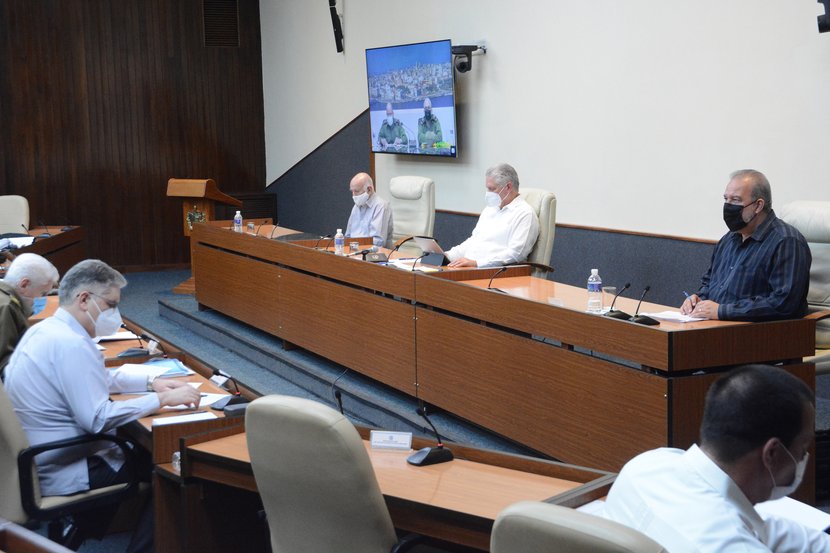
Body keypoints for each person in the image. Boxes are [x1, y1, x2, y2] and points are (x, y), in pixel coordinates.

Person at [5, 259, 201, 551]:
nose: (115, 314)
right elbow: (96, 418)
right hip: (60, 466)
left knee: (142, 452)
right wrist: (161, 399)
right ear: (84, 299)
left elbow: (92, 377)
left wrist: (151, 383)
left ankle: (78, 531)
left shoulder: (47, 331)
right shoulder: (70, 343)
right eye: (110, 305)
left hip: (36, 459)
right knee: (170, 466)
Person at [603, 364, 829, 552]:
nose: (803, 458)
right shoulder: (735, 545)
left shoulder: (646, 465)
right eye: (802, 447)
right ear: (772, 453)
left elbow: (765, 529)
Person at [681, 169, 811, 321]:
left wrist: (722, 311)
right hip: (716, 328)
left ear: (758, 205)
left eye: (735, 200)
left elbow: (784, 303)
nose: (728, 207)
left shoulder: (786, 241)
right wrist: (698, 300)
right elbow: (709, 282)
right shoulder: (728, 239)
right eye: (726, 199)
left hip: (762, 334)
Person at [445, 163, 540, 268]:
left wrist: (476, 263)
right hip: (470, 269)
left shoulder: (525, 214)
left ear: (508, 187)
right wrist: (447, 256)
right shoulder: (490, 209)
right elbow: (473, 242)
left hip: (494, 273)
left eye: (491, 189)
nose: (488, 193)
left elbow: (516, 254)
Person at [0, 253, 58, 377]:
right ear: (24, 285)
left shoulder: (7, 298)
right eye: (43, 293)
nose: (43, 298)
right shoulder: (7, 306)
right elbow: (5, 365)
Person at [345, 172, 393, 245]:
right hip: (354, 251)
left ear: (369, 189)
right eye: (352, 191)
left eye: (356, 191)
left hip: (373, 254)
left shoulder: (381, 206)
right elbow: (348, 236)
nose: (353, 195)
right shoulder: (356, 206)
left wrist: (355, 246)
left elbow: (379, 242)